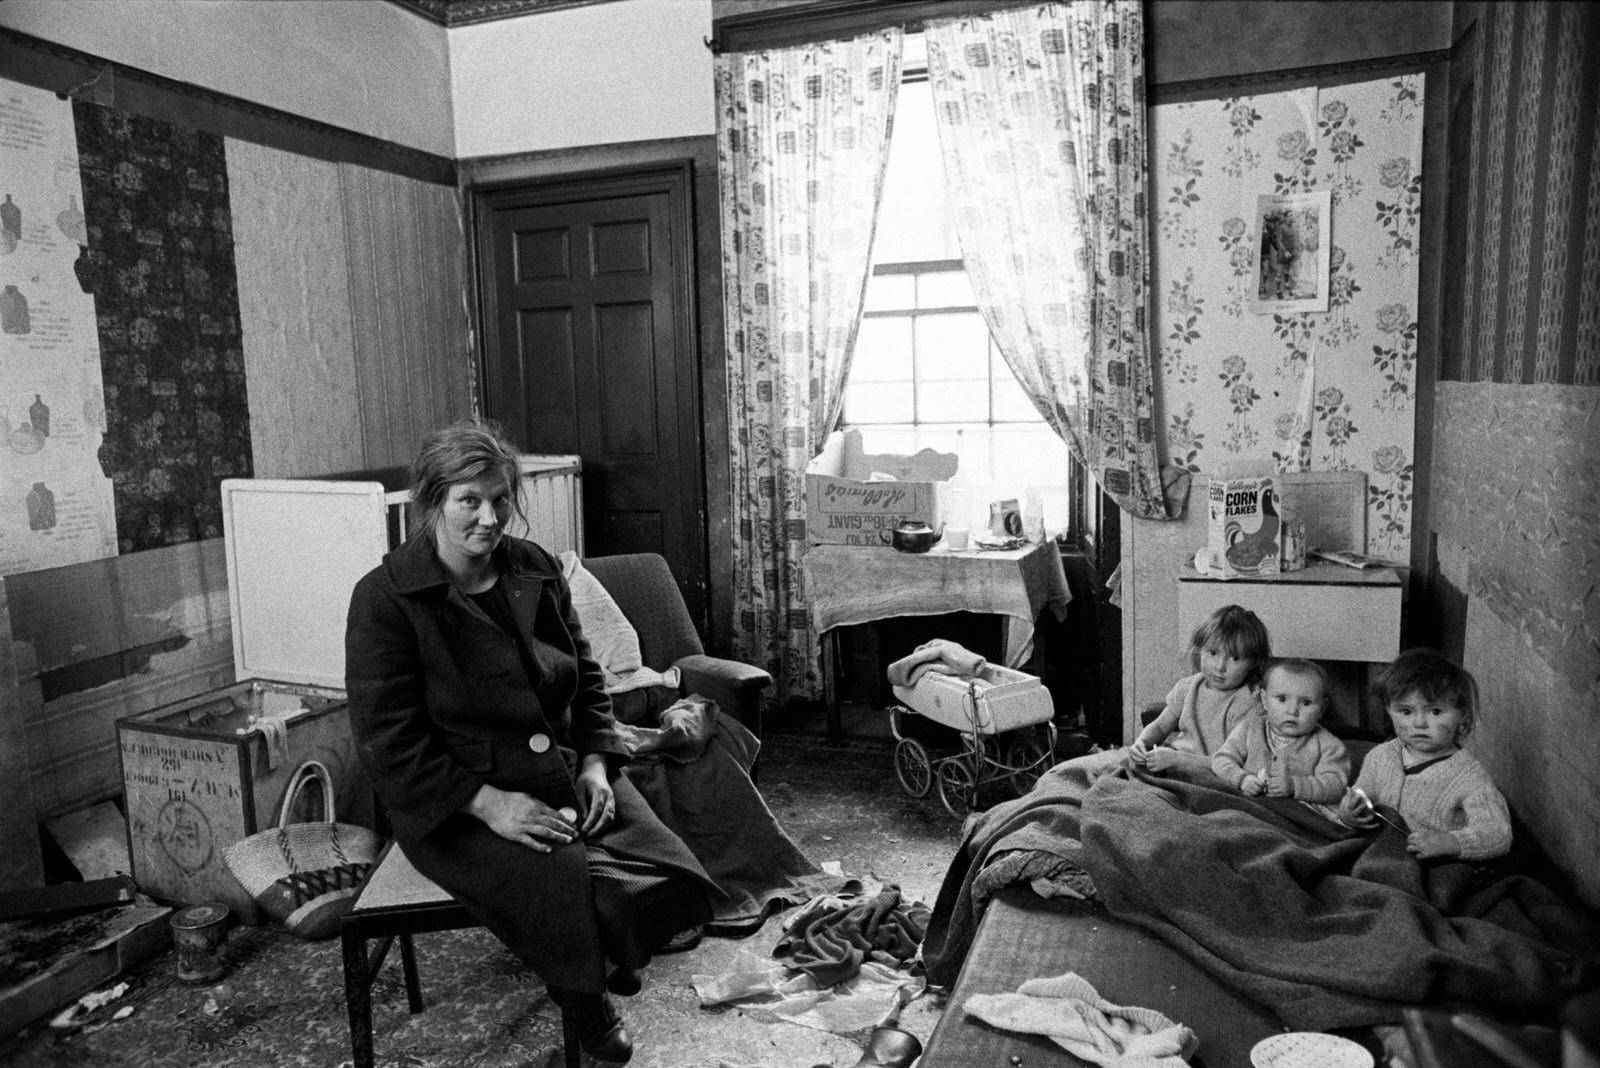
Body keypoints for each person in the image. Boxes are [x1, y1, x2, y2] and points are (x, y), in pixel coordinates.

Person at [344, 417, 715, 1065]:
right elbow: (389, 743)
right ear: (432, 503)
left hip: (563, 765)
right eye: (468, 501)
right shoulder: (385, 600)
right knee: (578, 891)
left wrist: (596, 763)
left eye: (499, 500)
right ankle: (585, 997)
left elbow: (587, 676)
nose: (489, 519)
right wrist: (490, 806)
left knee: (672, 877)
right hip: (454, 804)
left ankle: (607, 953)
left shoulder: (534, 568)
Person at [1337, 648, 1512, 861]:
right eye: (1406, 712)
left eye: (1435, 711)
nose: (1419, 723)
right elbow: (1361, 795)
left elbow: (1498, 834)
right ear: (1389, 711)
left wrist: (1451, 842)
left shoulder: (1471, 779)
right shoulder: (1381, 756)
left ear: (1462, 716)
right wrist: (1350, 813)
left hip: (1433, 864)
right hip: (1378, 850)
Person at [1128, 604, 1271, 775]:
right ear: (1200, 649)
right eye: (1213, 653)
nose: (1220, 667)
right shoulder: (1188, 687)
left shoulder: (1248, 703)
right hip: (1170, 762)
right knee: (1113, 771)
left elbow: (1237, 764)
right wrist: (1141, 743)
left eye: (1235, 658)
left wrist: (1178, 759)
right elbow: (1160, 727)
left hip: (1213, 775)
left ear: (1253, 662)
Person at [1212, 657, 1350, 816]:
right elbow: (1221, 759)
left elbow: (1336, 785)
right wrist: (1242, 779)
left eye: (1305, 703)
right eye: (1282, 699)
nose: (1292, 711)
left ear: (1321, 709)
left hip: (1293, 813)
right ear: (1264, 700)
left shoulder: (1329, 746)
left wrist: (1295, 786)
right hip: (1248, 804)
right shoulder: (1249, 728)